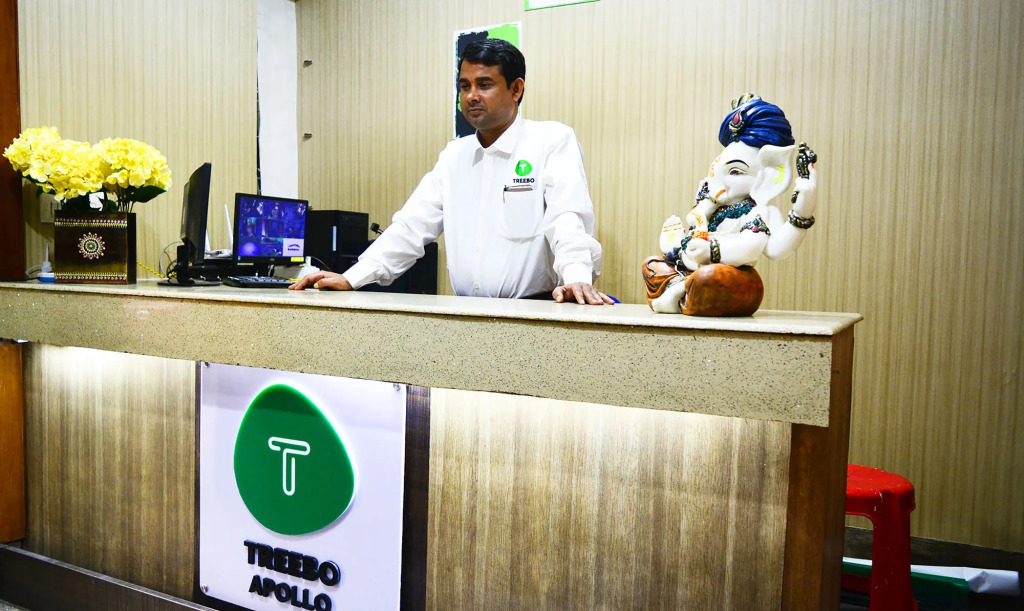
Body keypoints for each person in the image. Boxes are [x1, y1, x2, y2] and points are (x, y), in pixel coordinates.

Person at [290, 39, 613, 305]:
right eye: (464, 86)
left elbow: (567, 219)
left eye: (484, 84)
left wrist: (576, 277)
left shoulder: (551, 140)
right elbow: (411, 227)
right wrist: (352, 277)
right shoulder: (455, 155)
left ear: (516, 89)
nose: (471, 96)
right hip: (465, 313)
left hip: (534, 310)